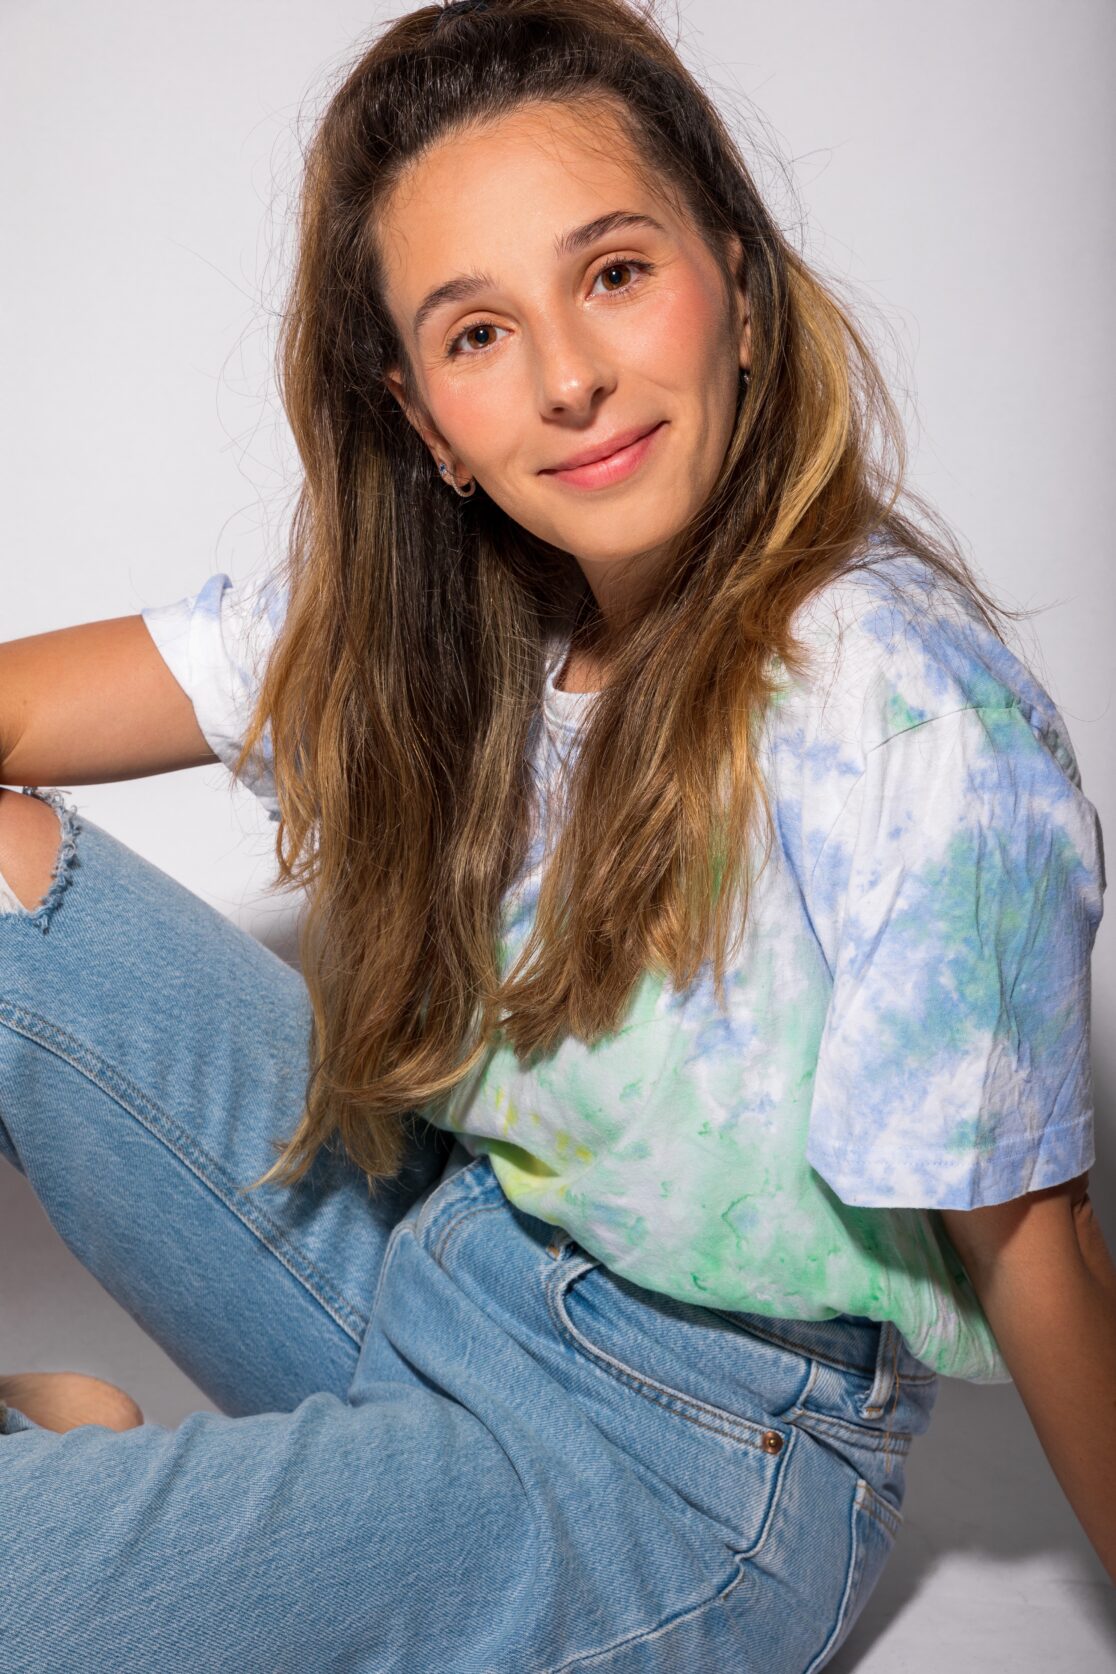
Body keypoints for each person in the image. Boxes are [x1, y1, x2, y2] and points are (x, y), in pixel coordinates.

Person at [0, 0, 1111, 1667]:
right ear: (424, 420)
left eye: (613, 273)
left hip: (685, 1466)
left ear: (737, 282)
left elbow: (1036, 1246)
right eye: (477, 333)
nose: (570, 378)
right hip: (441, 1268)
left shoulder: (901, 708)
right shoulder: (460, 620)